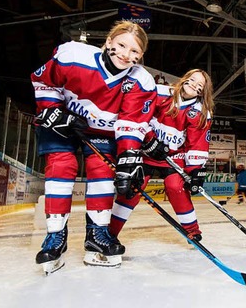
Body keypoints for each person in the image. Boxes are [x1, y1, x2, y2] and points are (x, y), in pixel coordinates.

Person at [31, 21, 157, 274]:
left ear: (141, 56)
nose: (126, 54)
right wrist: (54, 112)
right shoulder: (73, 55)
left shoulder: (142, 81)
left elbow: (131, 123)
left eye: (135, 52)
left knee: (101, 169)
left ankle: (97, 233)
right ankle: (55, 236)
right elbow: (44, 81)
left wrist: (128, 158)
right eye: (122, 45)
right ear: (109, 41)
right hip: (63, 121)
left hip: (101, 131)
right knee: (61, 164)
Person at [110, 69, 214, 242]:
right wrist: (149, 139)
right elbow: (140, 114)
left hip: (173, 156)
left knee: (175, 186)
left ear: (203, 91)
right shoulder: (160, 93)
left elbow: (197, 143)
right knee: (132, 188)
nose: (195, 84)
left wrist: (195, 172)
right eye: (192, 79)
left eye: (200, 85)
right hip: (145, 151)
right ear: (185, 79)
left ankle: (192, 231)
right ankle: (110, 233)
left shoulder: (201, 113)